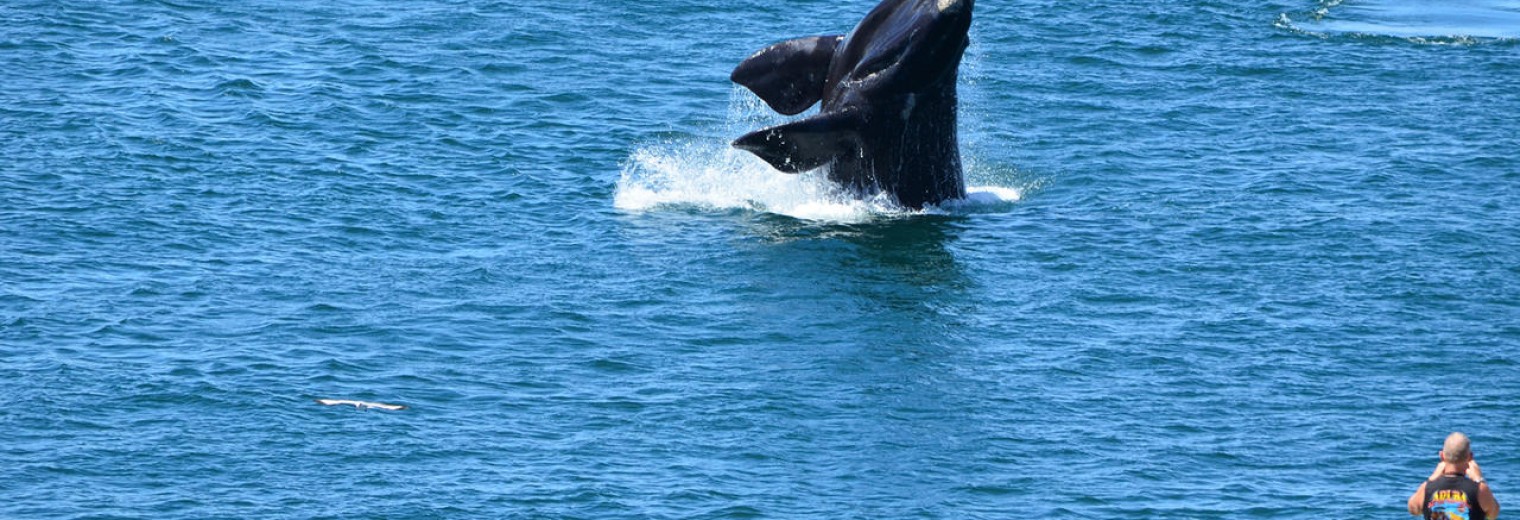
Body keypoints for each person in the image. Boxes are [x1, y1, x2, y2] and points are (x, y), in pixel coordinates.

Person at [1408, 432, 1500, 519]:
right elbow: (1493, 514)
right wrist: (1479, 479)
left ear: (1441, 456)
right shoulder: (1480, 489)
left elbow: (1413, 509)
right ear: (1470, 457)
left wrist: (1432, 479)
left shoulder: (1427, 488)